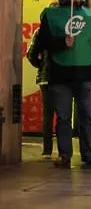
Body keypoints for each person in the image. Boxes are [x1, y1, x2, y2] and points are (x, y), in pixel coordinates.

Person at [33, 0, 91, 168]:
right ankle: (65, 154)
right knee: (63, 117)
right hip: (60, 74)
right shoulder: (51, 15)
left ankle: (87, 153)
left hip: (85, 73)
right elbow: (42, 43)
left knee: (87, 116)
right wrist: (61, 42)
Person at [26, 29, 54, 158]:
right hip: (62, 78)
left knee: (48, 115)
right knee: (64, 115)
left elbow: (30, 54)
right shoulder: (63, 29)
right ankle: (64, 150)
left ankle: (47, 150)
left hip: (45, 78)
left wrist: (41, 65)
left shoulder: (40, 32)